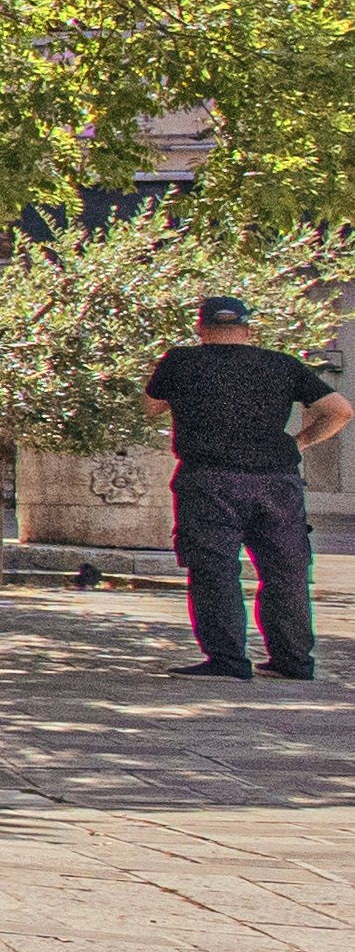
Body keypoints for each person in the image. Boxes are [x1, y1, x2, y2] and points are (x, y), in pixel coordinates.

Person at [146, 290, 340, 681]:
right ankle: (293, 661)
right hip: (277, 482)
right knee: (285, 570)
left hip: (209, 480)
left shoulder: (182, 361)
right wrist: (300, 441)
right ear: (247, 330)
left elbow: (152, 408)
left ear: (201, 328)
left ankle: (228, 659)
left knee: (214, 569)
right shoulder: (281, 365)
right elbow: (340, 410)